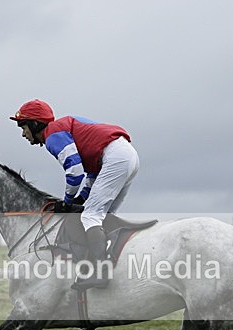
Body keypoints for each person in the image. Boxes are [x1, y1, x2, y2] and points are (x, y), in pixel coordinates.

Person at [10, 99, 139, 289]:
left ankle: (100, 273)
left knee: (90, 216)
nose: (23, 133)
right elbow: (92, 174)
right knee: (102, 217)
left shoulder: (52, 135)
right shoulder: (61, 130)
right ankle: (113, 265)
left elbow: (75, 171)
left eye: (23, 126)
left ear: (35, 123)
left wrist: (67, 201)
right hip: (126, 156)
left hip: (116, 157)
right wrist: (80, 198)